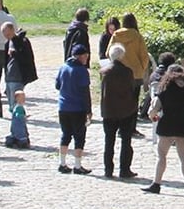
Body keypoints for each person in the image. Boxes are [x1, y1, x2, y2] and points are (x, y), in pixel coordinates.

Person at [144, 63, 184, 195]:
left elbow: (154, 109)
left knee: (162, 155)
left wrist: (153, 117)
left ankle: (156, 184)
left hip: (167, 126)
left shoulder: (165, 89)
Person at [97, 44, 137, 178]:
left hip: (109, 110)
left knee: (109, 141)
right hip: (125, 110)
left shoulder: (104, 72)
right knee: (126, 141)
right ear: (122, 56)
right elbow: (132, 89)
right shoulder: (127, 72)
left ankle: (108, 169)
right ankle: (124, 169)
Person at [56, 41, 93, 175]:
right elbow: (85, 92)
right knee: (79, 137)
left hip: (63, 107)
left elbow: (57, 85)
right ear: (80, 56)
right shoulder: (82, 71)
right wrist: (89, 111)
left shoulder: (63, 67)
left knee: (65, 135)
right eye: (85, 56)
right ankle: (77, 166)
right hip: (77, 108)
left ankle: (62, 163)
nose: (87, 58)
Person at [1, 22, 38, 147]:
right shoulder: (8, 43)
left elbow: (26, 58)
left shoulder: (21, 41)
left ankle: (20, 135)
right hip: (9, 78)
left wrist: (16, 53)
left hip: (18, 78)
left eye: (5, 32)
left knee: (17, 108)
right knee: (12, 108)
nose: (4, 35)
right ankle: (17, 133)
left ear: (11, 30)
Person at [111, 13, 150, 113]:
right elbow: (144, 56)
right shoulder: (137, 36)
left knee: (121, 98)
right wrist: (142, 68)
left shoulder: (116, 35)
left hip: (119, 72)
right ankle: (131, 123)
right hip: (135, 73)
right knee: (134, 100)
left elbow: (108, 52)